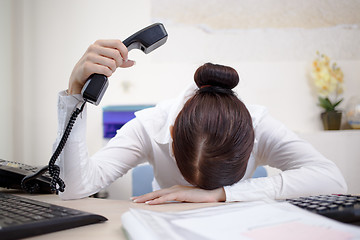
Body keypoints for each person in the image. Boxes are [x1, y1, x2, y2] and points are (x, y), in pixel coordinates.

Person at [56, 39, 347, 204]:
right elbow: (73, 187)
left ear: (251, 141)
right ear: (170, 133)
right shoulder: (151, 124)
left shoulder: (257, 124)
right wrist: (74, 96)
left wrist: (221, 194)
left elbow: (332, 179)